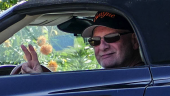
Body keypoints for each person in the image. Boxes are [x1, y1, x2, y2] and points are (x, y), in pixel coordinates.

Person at [12, 11, 143, 74]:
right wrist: (41, 78)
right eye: (95, 41)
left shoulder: (138, 78)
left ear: (135, 41)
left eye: (112, 38)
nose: (102, 47)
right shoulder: (114, 77)